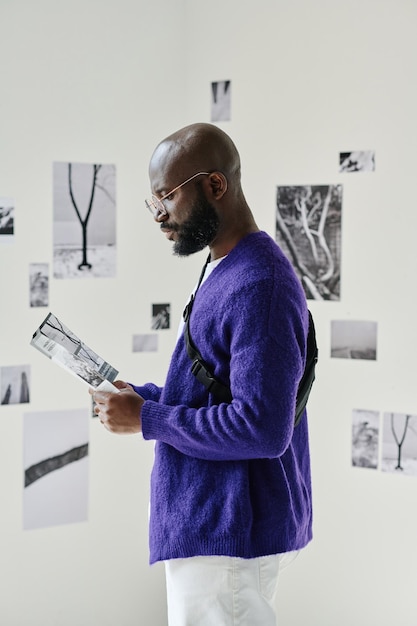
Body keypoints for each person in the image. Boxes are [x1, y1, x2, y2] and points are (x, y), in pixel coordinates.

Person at [91, 123, 313, 626]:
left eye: (167, 196)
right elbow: (215, 389)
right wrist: (142, 400)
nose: (159, 215)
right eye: (153, 202)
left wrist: (149, 420)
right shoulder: (227, 267)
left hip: (229, 535)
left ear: (215, 186)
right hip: (214, 524)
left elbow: (261, 426)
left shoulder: (261, 283)